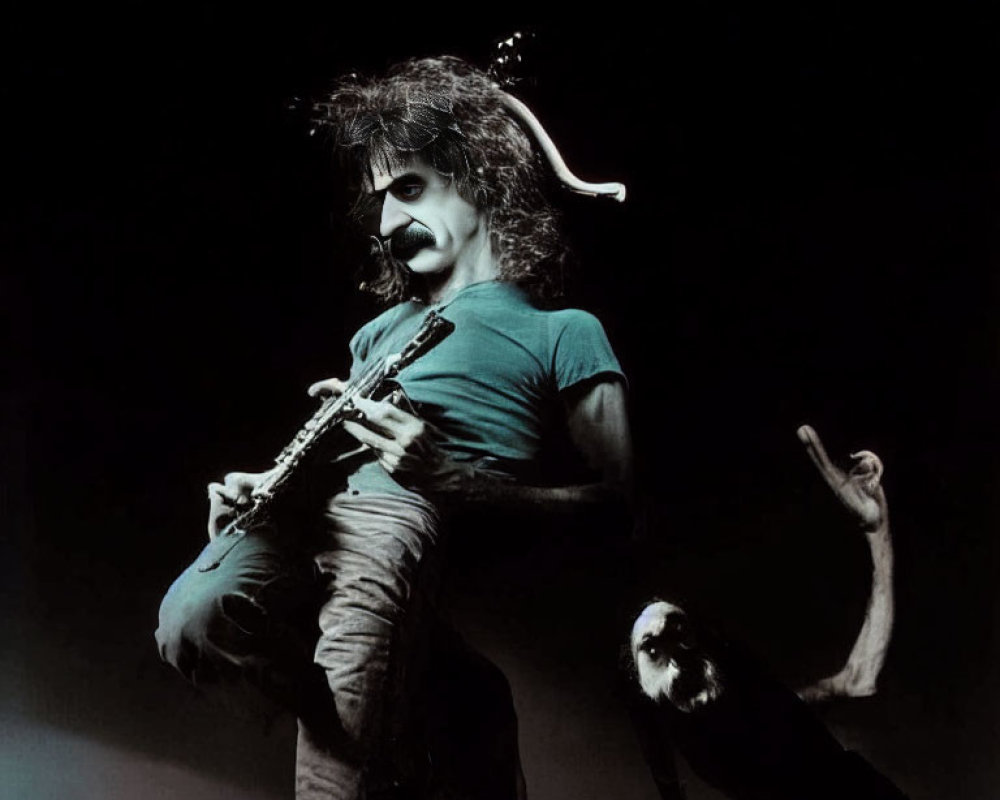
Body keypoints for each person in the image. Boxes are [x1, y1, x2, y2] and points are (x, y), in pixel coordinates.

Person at [155, 55, 633, 800]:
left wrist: (454, 480)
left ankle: (367, 732)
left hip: (404, 519)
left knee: (333, 782)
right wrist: (265, 489)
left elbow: (618, 505)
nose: (384, 224)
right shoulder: (378, 331)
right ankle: (388, 712)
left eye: (408, 189)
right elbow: (338, 458)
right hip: (320, 514)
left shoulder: (564, 330)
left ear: (480, 177)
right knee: (192, 619)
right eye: (378, 200)